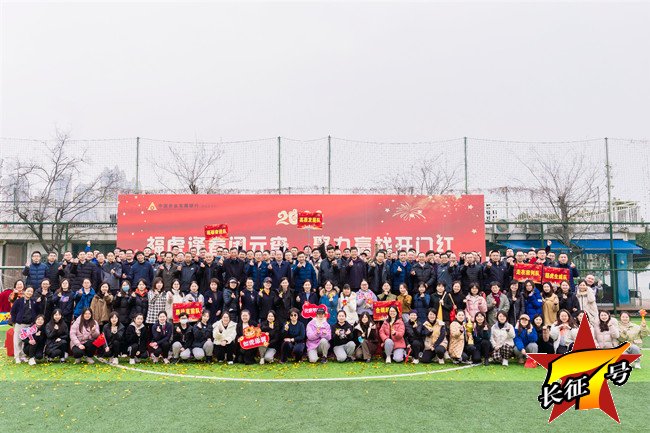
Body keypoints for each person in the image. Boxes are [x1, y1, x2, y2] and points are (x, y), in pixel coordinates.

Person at [10, 286, 38, 364]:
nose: (29, 293)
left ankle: (23, 356)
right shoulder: (18, 301)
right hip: (20, 324)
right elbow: (13, 312)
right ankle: (17, 357)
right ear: (25, 291)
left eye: (31, 291)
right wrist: (15, 321)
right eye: (28, 291)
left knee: (25, 341)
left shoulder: (33, 302)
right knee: (17, 341)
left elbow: (37, 311)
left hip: (29, 325)